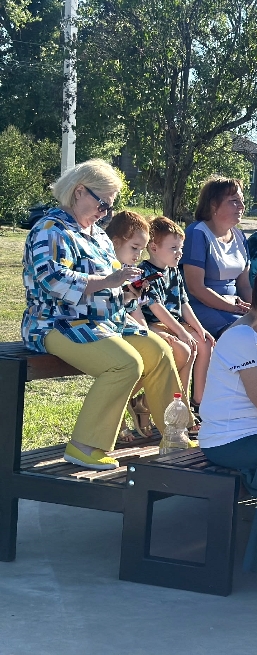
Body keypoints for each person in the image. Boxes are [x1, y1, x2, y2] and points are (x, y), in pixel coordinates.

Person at [22, 159, 182, 470]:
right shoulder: (50, 229)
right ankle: (84, 446)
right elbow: (52, 280)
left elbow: (110, 284)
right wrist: (108, 281)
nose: (106, 212)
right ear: (79, 191)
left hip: (102, 321)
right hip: (55, 322)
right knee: (125, 364)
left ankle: (173, 436)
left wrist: (127, 292)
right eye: (103, 203)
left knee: (160, 351)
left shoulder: (97, 235)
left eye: (110, 206)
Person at [139, 217, 215, 408]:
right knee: (188, 347)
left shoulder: (173, 271)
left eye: (181, 248)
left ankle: (195, 402)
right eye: (174, 248)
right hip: (154, 325)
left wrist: (199, 328)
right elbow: (157, 308)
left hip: (174, 324)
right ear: (154, 247)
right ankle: (173, 403)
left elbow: (184, 304)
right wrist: (181, 332)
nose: (179, 253)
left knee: (203, 342)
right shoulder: (145, 273)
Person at [181, 175, 252, 338]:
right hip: (201, 307)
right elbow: (196, 288)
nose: (242, 206)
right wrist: (234, 308)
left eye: (242, 200)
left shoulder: (240, 236)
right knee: (246, 332)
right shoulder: (197, 233)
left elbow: (244, 286)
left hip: (233, 306)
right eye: (234, 201)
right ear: (213, 204)